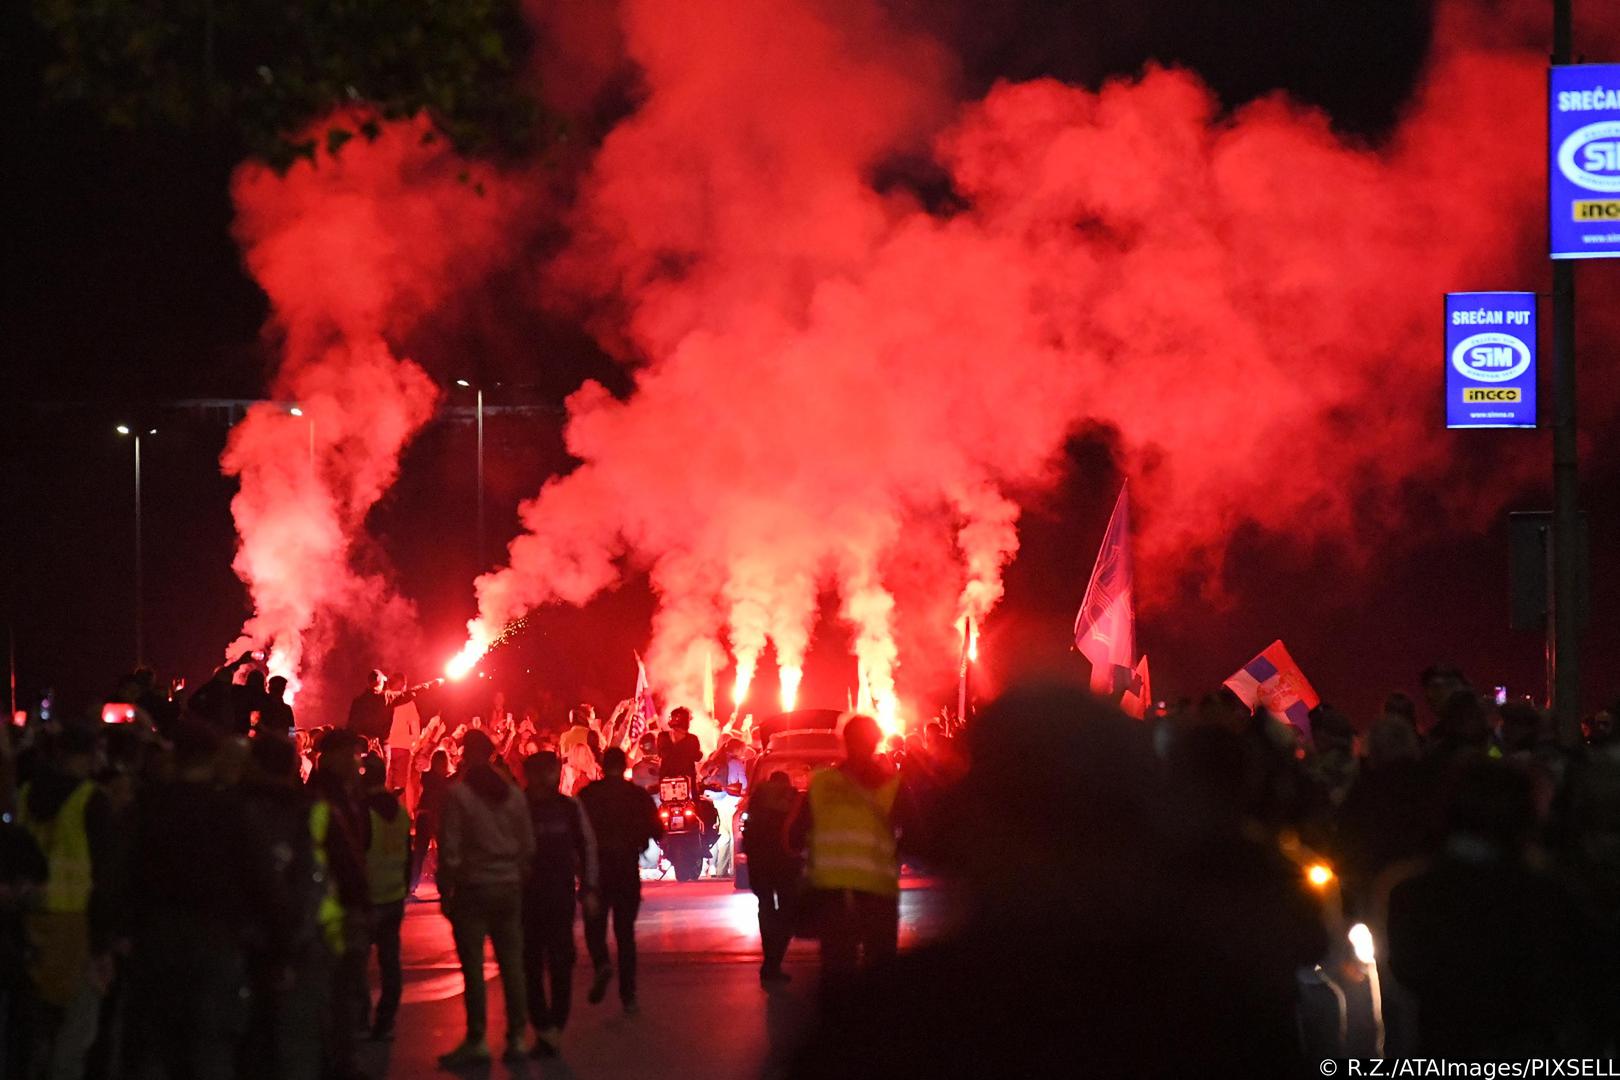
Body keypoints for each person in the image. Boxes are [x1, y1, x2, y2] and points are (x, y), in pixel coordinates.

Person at [124, 719, 287, 1079]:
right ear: (213, 757)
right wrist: (279, 941)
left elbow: (125, 871)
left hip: (156, 936)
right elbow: (258, 876)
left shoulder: (147, 805)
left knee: (160, 1043)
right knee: (210, 1043)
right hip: (215, 937)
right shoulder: (228, 809)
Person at [15, 725, 115, 1080]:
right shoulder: (91, 800)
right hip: (76, 928)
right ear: (87, 754)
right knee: (76, 1033)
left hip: (28, 922)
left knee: (35, 1026)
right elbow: (103, 878)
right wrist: (103, 948)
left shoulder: (25, 793)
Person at [789, 714, 913, 982]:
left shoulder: (821, 784)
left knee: (837, 970)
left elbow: (793, 837)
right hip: (878, 891)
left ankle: (841, 1021)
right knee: (881, 971)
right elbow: (918, 840)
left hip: (831, 893)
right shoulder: (893, 786)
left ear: (843, 741)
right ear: (877, 742)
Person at [437, 730, 534, 1066]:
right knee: (512, 965)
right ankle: (517, 1038)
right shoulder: (514, 795)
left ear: (467, 753)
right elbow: (528, 847)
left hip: (473, 888)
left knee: (473, 967)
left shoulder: (460, 795)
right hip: (508, 887)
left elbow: (449, 850)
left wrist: (445, 890)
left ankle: (477, 1038)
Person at [520, 752, 599, 1057]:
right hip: (527, 898)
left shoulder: (569, 807)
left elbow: (587, 846)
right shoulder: (518, 806)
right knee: (530, 964)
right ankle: (544, 1027)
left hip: (559, 897)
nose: (550, 779)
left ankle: (553, 1026)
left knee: (560, 961)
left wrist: (589, 887)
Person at [578, 746, 662, 1015]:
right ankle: (628, 995)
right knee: (625, 935)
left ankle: (602, 963)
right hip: (626, 867)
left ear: (602, 765)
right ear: (624, 765)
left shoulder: (588, 795)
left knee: (595, 926)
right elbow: (657, 831)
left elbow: (576, 833)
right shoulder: (636, 796)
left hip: (597, 868)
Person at [359, 753, 411, 1042]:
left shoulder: (363, 810)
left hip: (370, 895)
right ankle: (386, 1019)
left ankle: (363, 1020)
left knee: (359, 965)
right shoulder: (400, 811)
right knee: (391, 963)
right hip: (394, 895)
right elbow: (408, 854)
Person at [744, 770, 801, 986]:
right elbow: (799, 833)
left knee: (765, 908)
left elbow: (748, 837)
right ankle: (773, 962)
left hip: (760, 866)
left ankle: (770, 962)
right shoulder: (793, 799)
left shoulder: (757, 801)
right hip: (785, 864)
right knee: (787, 912)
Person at [345, 669, 442, 747]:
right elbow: (410, 693)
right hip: (378, 746)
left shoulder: (357, 701)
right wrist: (432, 684)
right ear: (381, 682)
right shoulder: (385, 698)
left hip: (358, 746)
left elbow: (350, 725)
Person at [410, 749, 452, 895]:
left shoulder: (430, 777)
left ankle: (415, 883)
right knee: (422, 851)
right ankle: (413, 883)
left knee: (428, 852)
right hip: (429, 816)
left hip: (432, 816)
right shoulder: (429, 777)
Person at [383, 672, 423, 792]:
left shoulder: (382, 699)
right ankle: (398, 808)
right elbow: (415, 724)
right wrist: (415, 744)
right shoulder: (407, 702)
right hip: (402, 748)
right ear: (403, 685)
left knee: (384, 784)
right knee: (400, 787)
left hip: (385, 747)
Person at [656, 707, 705, 788]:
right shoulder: (692, 739)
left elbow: (660, 754)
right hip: (687, 782)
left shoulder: (662, 736)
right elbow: (697, 757)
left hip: (666, 781)